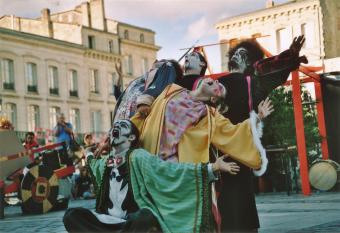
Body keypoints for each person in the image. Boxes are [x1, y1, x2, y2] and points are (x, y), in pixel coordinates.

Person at [63, 119, 242, 233]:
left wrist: (212, 167)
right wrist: (88, 153)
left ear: (132, 137)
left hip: (131, 222)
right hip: (107, 220)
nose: (114, 129)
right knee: (71, 215)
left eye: (121, 126)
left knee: (143, 218)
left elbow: (171, 172)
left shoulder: (139, 156)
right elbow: (93, 163)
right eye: (113, 127)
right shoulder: (104, 162)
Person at [217, 36, 306, 232]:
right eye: (237, 53)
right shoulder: (216, 83)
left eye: (243, 54)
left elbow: (273, 68)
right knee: (224, 200)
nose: (238, 56)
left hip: (244, 149)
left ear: (249, 62)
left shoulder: (254, 82)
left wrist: (289, 57)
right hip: (219, 150)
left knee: (242, 197)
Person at [132, 78, 273, 175]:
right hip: (144, 160)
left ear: (213, 99)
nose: (217, 81)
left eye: (219, 87)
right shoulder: (172, 89)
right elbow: (144, 115)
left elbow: (233, 132)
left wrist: (258, 116)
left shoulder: (208, 115)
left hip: (171, 171)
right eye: (217, 81)